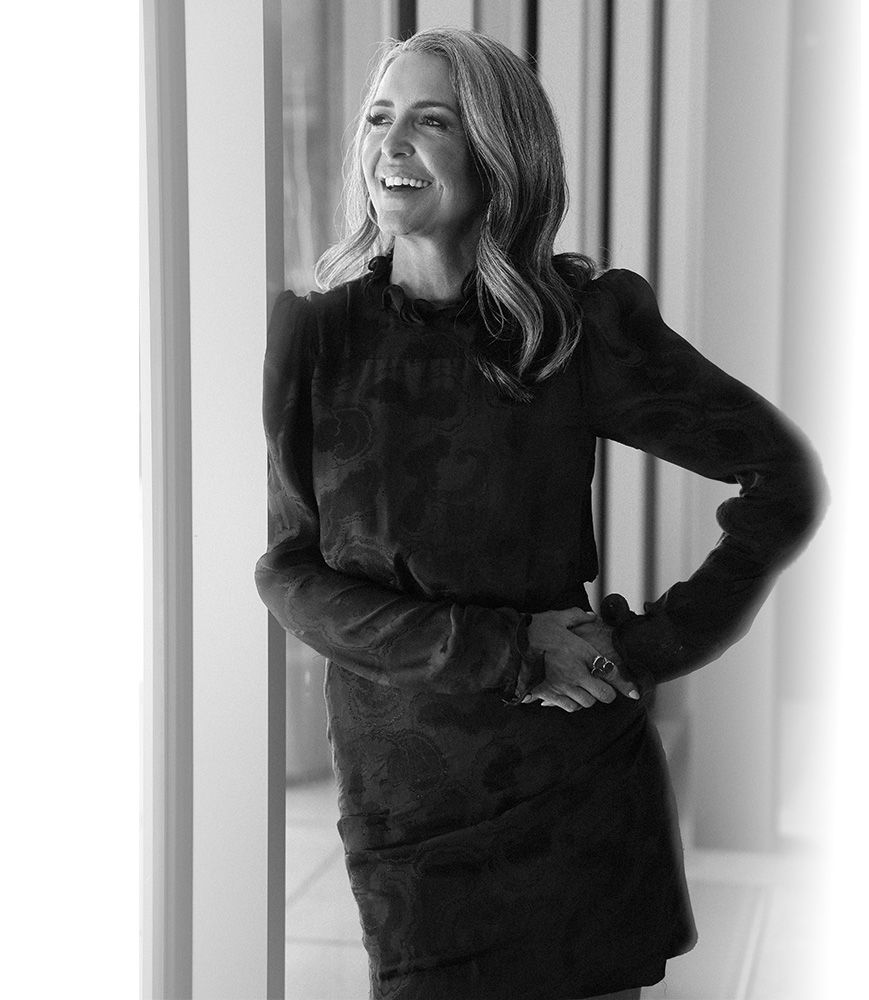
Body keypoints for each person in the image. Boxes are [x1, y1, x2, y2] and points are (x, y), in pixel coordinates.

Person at [255, 27, 826, 1000]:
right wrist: (508, 650)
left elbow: (781, 477)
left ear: (497, 152)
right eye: (379, 118)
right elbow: (290, 577)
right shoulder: (314, 341)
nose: (392, 145)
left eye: (432, 122)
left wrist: (644, 647)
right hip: (407, 809)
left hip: (574, 797)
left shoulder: (573, 327)